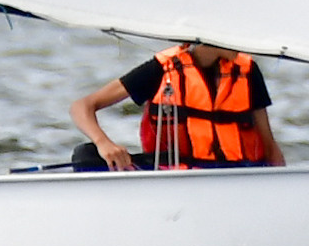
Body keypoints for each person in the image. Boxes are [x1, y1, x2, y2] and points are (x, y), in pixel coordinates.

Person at [68, 41, 285, 171]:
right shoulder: (162, 69)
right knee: (85, 156)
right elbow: (82, 106)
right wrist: (103, 143)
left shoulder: (247, 71)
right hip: (179, 178)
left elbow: (269, 146)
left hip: (236, 178)